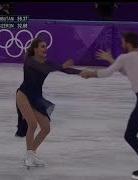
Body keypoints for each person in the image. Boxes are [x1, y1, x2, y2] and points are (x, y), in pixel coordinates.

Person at [80, 32, 138, 179]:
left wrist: (90, 74)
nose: (122, 45)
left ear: (128, 43)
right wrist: (111, 59)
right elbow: (130, 72)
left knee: (129, 135)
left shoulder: (124, 58)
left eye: (123, 42)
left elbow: (107, 73)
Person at [16, 38, 82, 168]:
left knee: (46, 128)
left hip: (36, 97)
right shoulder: (29, 61)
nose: (45, 48)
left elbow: (66, 70)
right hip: (23, 95)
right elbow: (41, 68)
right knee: (33, 124)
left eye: (45, 46)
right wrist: (61, 66)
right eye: (42, 46)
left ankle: (31, 154)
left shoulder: (47, 63)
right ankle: (29, 157)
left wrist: (83, 72)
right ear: (35, 49)